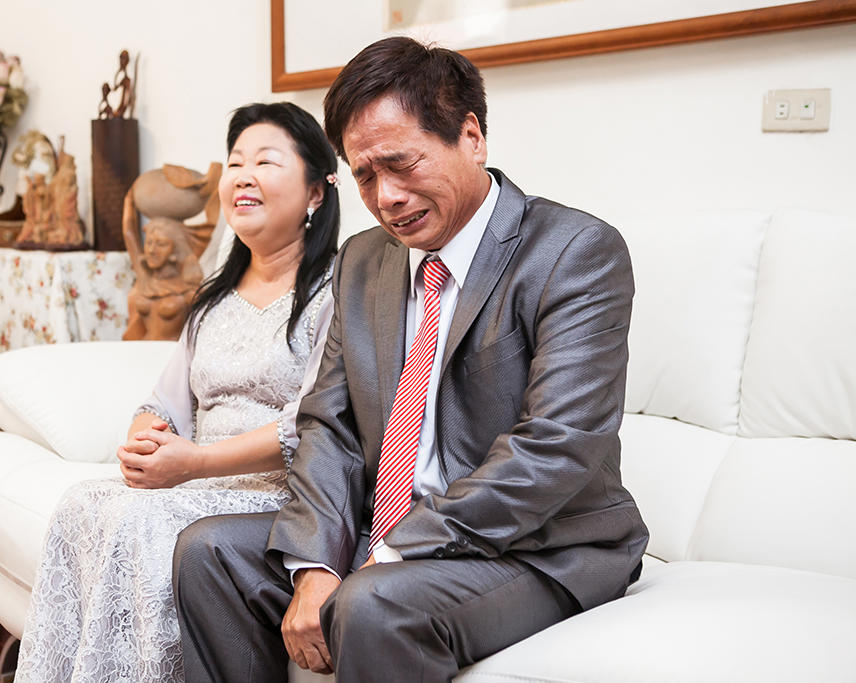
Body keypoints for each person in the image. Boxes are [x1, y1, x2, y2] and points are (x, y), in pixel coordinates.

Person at [173, 37, 649, 682]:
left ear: (471, 137)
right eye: (365, 176)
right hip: (387, 532)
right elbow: (329, 424)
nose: (387, 196)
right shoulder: (364, 259)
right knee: (208, 551)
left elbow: (556, 447)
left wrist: (397, 550)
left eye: (402, 164)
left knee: (373, 603)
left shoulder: (573, 252)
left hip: (538, 546)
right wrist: (315, 565)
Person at [13, 101, 341, 683]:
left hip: (278, 494)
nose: (243, 176)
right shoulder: (213, 298)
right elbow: (162, 404)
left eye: (266, 162)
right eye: (235, 163)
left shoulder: (337, 291)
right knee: (80, 503)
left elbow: (314, 424)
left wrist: (195, 463)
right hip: (197, 479)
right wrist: (147, 442)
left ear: (316, 191)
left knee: (138, 522)